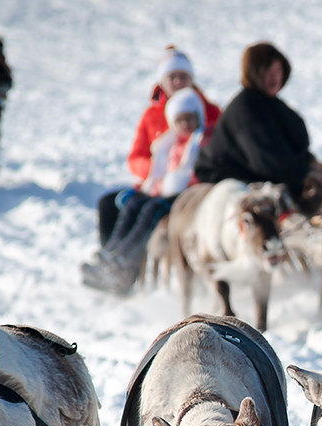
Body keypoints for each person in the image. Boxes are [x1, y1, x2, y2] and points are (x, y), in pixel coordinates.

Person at [81, 47, 220, 293]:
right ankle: (110, 261)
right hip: (156, 184)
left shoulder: (208, 111)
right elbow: (137, 157)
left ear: (192, 79)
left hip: (186, 189)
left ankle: (122, 266)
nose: (178, 82)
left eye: (183, 77)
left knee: (149, 210)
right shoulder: (152, 115)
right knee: (112, 204)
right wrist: (157, 173)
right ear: (162, 81)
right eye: (172, 77)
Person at [193, 41, 322, 216]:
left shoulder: (272, 104)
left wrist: (312, 167)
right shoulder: (246, 108)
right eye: (268, 72)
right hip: (228, 178)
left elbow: (296, 146)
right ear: (255, 74)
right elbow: (267, 161)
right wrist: (304, 178)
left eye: (278, 71)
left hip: (261, 174)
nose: (275, 77)